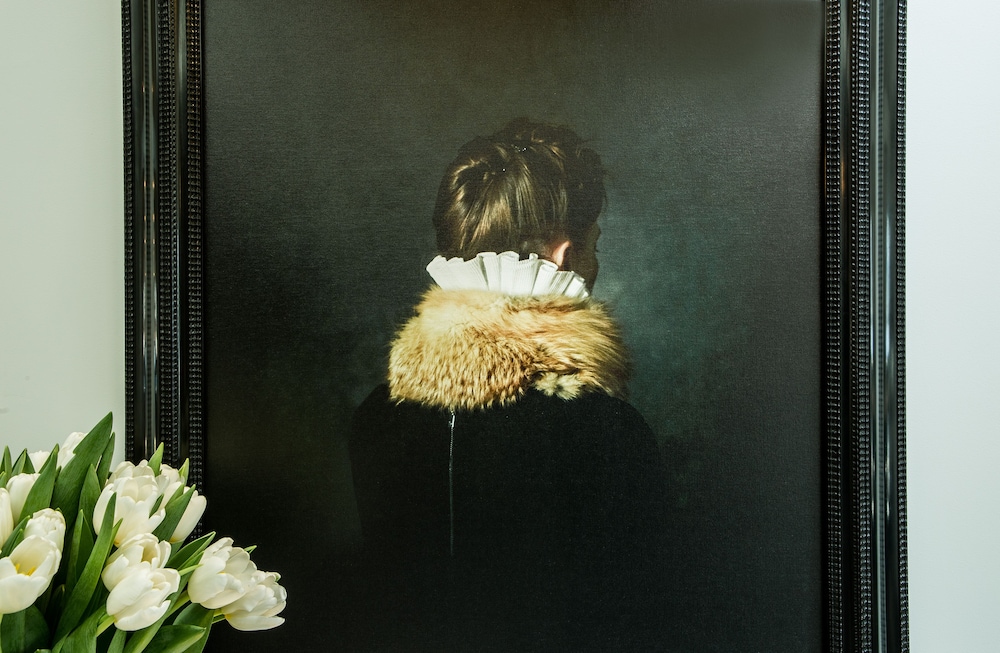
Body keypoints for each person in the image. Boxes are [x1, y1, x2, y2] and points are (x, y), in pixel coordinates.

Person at [349, 118, 666, 652]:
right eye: (593, 245)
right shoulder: (606, 431)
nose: (594, 262)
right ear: (564, 255)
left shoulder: (376, 417)